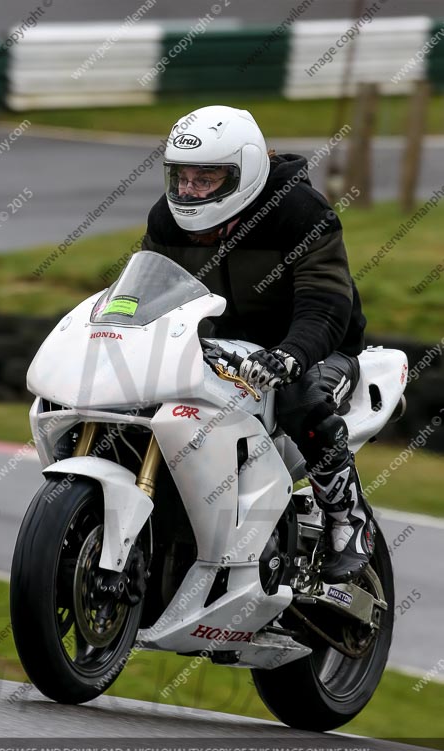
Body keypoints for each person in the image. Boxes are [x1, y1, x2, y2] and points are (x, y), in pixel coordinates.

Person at [141, 105, 373, 584]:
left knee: (298, 395)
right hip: (217, 351)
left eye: (204, 180)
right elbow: (145, 289)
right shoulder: (167, 219)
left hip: (314, 349)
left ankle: (346, 516)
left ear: (241, 174)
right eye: (180, 178)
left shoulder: (299, 211)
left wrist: (292, 354)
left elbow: (327, 304)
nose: (188, 191)